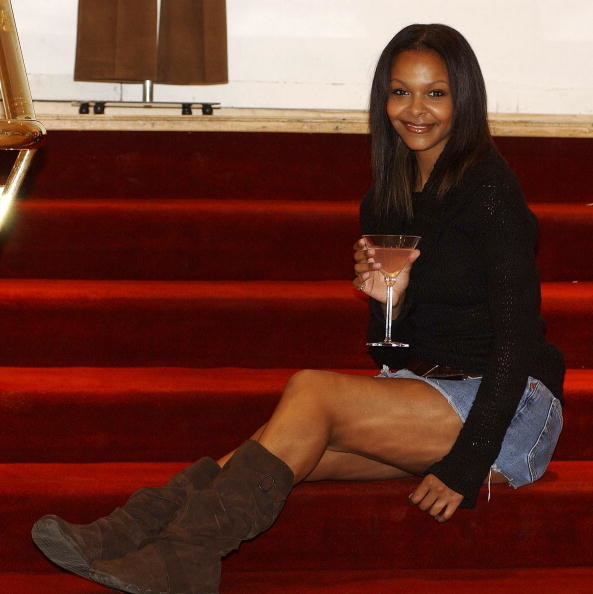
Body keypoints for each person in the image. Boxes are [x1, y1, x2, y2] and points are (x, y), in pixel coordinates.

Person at [31, 23, 564, 594]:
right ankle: (129, 532)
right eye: (400, 91)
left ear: (464, 98)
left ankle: (183, 560)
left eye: (436, 93)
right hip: (429, 396)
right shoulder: (386, 198)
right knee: (278, 439)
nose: (416, 110)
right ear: (382, 97)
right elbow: (389, 352)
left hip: (510, 414)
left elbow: (518, 340)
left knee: (309, 391)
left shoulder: (489, 191)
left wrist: (465, 465)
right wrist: (391, 304)